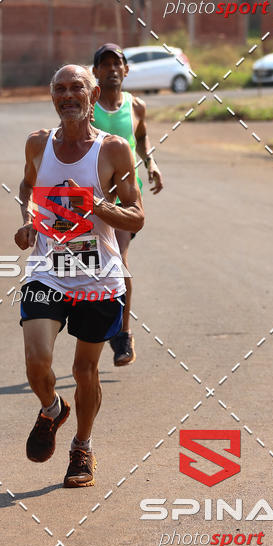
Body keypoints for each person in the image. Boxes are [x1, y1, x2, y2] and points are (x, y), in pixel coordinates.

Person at [15, 64, 144, 487]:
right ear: (52, 97)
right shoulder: (38, 143)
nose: (68, 95)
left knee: (85, 370)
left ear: (92, 95)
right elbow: (27, 186)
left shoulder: (114, 150)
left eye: (76, 88)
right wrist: (29, 220)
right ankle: (52, 408)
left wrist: (97, 206)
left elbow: (136, 215)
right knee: (37, 362)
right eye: (60, 89)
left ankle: (82, 447)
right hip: (48, 270)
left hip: (97, 276)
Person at [91, 42, 163, 367]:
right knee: (94, 265)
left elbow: (143, 136)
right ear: (95, 72)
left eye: (117, 64)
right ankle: (94, 328)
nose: (112, 70)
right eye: (105, 65)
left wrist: (152, 163)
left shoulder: (137, 106)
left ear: (126, 70)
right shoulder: (87, 105)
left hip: (124, 198)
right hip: (89, 200)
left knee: (119, 260)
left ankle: (123, 335)